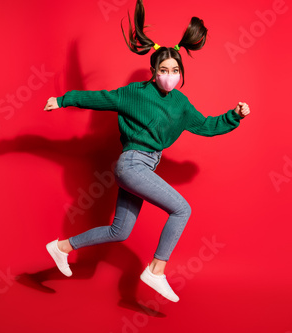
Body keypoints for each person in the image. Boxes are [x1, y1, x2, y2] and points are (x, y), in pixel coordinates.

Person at [43, 0, 250, 302]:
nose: (170, 75)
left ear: (181, 72)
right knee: (182, 209)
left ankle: (61, 248)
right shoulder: (135, 93)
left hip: (146, 167)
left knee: (119, 232)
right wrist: (63, 100)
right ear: (153, 71)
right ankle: (156, 270)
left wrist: (234, 116)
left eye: (175, 70)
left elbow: (206, 125)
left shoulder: (180, 103)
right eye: (164, 69)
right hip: (132, 164)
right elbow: (99, 98)